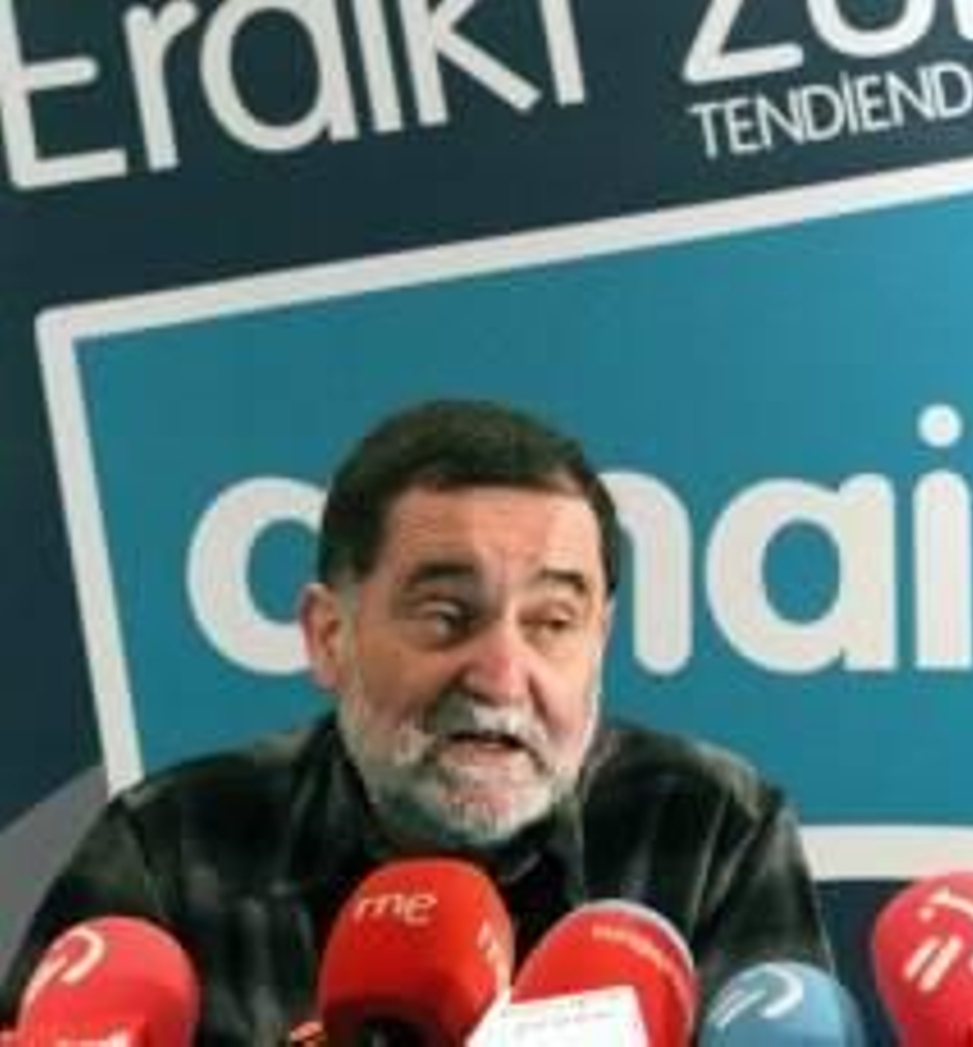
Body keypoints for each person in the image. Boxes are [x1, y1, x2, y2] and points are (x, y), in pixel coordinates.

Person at [0, 399, 833, 1040]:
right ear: (330, 635)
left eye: (551, 621)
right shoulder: (171, 844)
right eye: (445, 613)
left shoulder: (713, 826)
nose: (504, 675)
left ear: (600, 640)